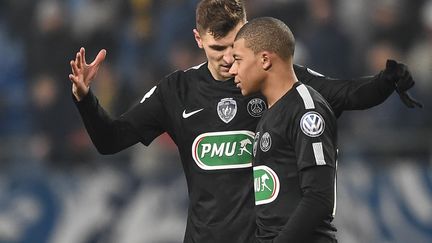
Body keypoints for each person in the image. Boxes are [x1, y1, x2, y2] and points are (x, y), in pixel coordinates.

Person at [68, 1, 420, 242]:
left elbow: (344, 94)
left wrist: (385, 81)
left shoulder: (274, 77)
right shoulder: (177, 90)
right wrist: (85, 99)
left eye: (234, 47)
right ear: (198, 39)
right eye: (216, 49)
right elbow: (111, 140)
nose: (226, 60)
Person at [230, 16, 338, 243]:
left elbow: (319, 198)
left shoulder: (307, 109)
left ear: (265, 60)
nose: (232, 69)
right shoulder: (268, 114)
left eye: (238, 59)